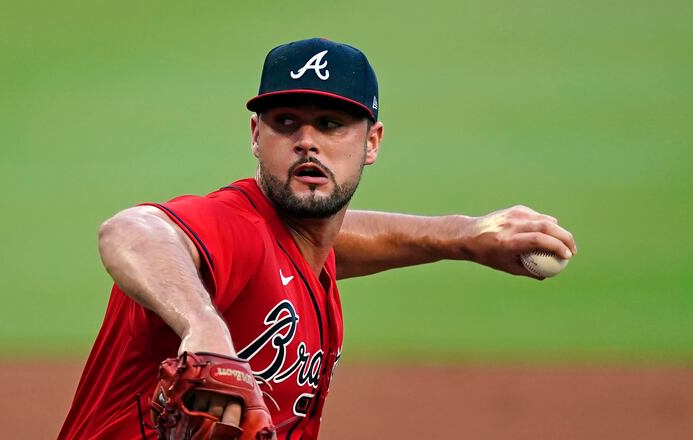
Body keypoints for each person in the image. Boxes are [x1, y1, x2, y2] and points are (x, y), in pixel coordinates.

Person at [58, 38, 577, 440]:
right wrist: (203, 329)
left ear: (371, 142)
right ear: (256, 136)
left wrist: (463, 236)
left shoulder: (309, 245)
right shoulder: (235, 228)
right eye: (286, 123)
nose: (307, 141)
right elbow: (133, 230)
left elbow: (338, 242)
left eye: (331, 124)